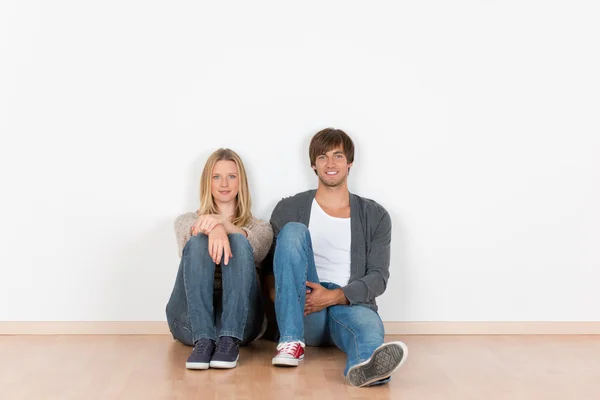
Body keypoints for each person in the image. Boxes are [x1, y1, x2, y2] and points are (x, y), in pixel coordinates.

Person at [264, 128, 408, 387]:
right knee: (294, 231)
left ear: (350, 162)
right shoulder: (289, 208)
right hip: (303, 310)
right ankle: (290, 342)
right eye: (322, 157)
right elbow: (271, 272)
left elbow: (378, 277)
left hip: (351, 305)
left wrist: (332, 296)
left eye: (338, 156)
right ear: (313, 165)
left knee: (369, 329)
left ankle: (365, 368)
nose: (330, 164)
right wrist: (292, 299)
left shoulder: (375, 215)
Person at [166, 148, 273, 370]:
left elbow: (254, 247)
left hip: (241, 324)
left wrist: (221, 225)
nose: (224, 183)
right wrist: (212, 227)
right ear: (208, 182)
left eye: (231, 176)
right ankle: (203, 341)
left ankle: (228, 342)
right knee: (197, 241)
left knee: (239, 241)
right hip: (190, 323)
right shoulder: (186, 221)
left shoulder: (261, 228)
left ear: (241, 182)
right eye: (217, 177)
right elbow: (190, 235)